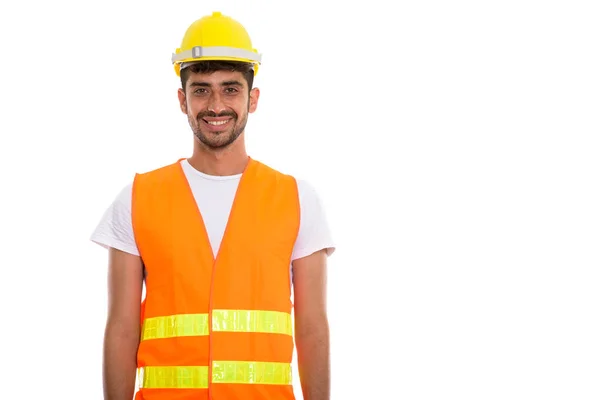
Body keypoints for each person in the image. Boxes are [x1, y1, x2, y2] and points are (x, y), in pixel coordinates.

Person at [90, 11, 335, 400]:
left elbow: (312, 327)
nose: (216, 105)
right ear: (181, 99)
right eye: (201, 89)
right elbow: (121, 328)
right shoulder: (137, 198)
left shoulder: (297, 199)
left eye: (231, 89)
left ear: (253, 99)